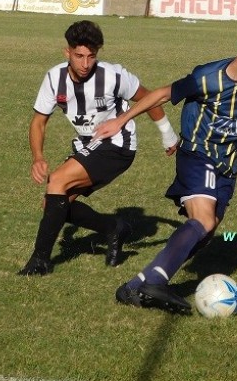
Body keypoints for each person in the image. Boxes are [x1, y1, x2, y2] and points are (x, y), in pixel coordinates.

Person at [95, 24, 237, 313]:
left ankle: (134, 287)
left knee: (206, 231)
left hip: (228, 166)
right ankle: (154, 282)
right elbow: (163, 94)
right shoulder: (209, 78)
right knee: (202, 220)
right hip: (197, 155)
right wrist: (122, 119)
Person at [19, 20, 179, 276]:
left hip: (118, 145)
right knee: (53, 205)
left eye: (91, 56)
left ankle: (40, 262)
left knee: (57, 181)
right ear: (67, 52)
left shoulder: (113, 75)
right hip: (88, 145)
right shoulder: (54, 78)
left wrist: (168, 135)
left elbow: (150, 98)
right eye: (79, 56)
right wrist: (37, 157)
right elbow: (39, 121)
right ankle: (113, 227)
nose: (85, 64)